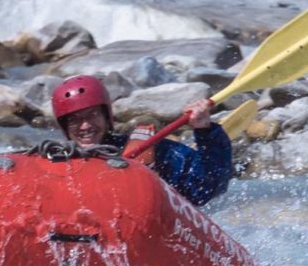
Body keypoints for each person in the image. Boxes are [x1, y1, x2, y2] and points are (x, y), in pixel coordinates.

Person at [50, 75, 232, 206]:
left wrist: (205, 132)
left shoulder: (151, 148)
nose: (85, 126)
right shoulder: (54, 164)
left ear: (107, 117)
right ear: (64, 127)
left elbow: (208, 188)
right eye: (74, 120)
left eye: (92, 115)